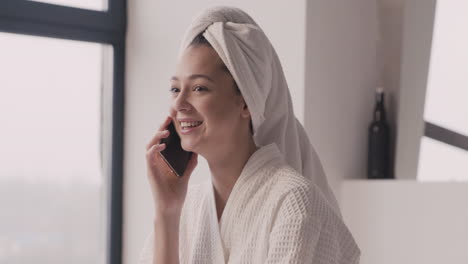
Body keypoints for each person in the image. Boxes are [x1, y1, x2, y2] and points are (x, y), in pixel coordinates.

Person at [140, 6, 360, 264]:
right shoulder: (188, 207)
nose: (179, 105)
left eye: (199, 88)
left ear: (246, 102)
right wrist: (167, 211)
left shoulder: (295, 204)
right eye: (175, 89)